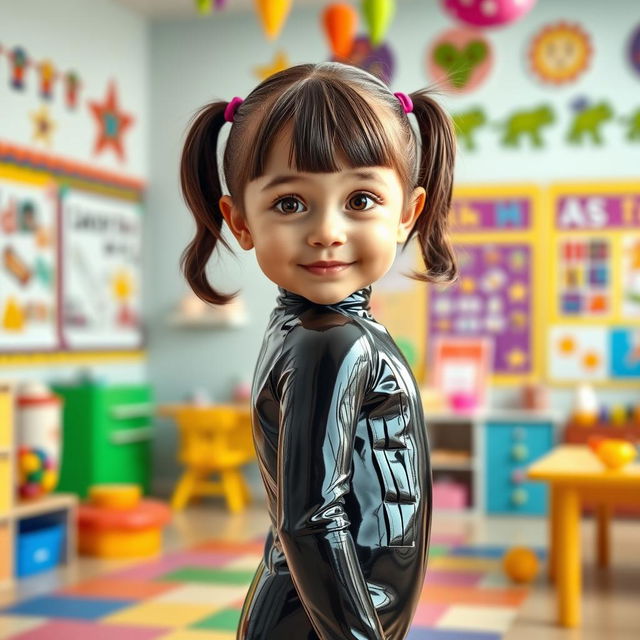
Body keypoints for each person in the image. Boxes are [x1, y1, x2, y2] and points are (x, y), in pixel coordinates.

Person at [179, 62, 458, 640]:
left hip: (324, 611)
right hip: (327, 622)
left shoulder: (309, 331)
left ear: (408, 213)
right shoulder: (331, 342)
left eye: (360, 198)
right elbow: (310, 519)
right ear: (240, 221)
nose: (327, 230)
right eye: (289, 204)